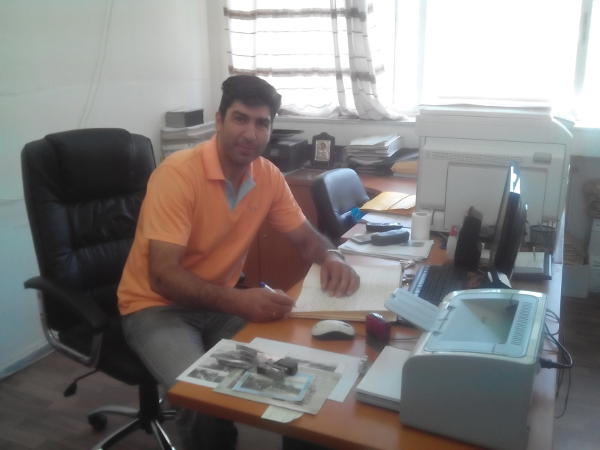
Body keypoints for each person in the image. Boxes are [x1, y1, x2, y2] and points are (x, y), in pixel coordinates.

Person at [117, 75, 360, 449]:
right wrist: (238, 300)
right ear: (219, 120)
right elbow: (163, 277)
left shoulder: (267, 176)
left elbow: (305, 238)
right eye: (240, 118)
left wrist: (332, 255)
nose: (250, 133)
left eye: (261, 123)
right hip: (156, 308)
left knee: (294, 369)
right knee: (202, 398)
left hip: (217, 304)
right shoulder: (178, 174)